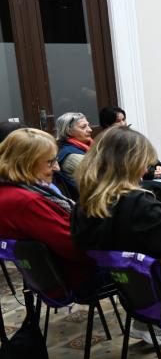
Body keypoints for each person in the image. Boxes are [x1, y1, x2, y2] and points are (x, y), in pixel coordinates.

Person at [71, 126, 161, 346]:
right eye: (144, 162)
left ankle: (145, 324)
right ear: (129, 163)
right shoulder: (134, 203)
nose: (145, 169)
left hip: (135, 294)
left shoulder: (84, 205)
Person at [0, 128, 99, 298]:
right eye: (50, 162)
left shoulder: (11, 189)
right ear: (26, 163)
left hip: (45, 277)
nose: (57, 168)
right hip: (75, 277)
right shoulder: (26, 201)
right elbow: (76, 250)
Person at [100, 107, 161, 200]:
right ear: (108, 124)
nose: (123, 123)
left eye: (124, 119)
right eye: (118, 121)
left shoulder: (131, 136)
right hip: (138, 179)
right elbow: (129, 170)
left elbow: (149, 155)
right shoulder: (109, 144)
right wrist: (152, 174)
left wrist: (158, 165)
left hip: (151, 171)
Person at [55, 112, 94, 197]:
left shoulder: (87, 146)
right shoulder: (72, 156)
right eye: (83, 127)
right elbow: (102, 180)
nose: (90, 130)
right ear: (68, 131)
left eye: (88, 125)